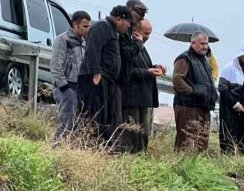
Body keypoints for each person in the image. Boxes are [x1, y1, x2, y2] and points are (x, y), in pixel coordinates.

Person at [78, 5, 132, 146]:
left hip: (107, 79)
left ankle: (100, 146)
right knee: (94, 115)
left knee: (105, 116)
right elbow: (92, 50)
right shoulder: (101, 27)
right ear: (119, 19)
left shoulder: (113, 31)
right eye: (128, 23)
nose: (128, 27)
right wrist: (96, 73)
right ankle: (89, 145)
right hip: (96, 79)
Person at [121, 18, 163, 153]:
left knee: (142, 133)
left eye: (149, 34)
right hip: (131, 98)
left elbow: (142, 66)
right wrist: (147, 72)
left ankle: (141, 158)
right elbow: (126, 71)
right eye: (145, 33)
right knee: (131, 134)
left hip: (142, 98)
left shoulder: (141, 47)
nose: (147, 37)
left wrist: (155, 67)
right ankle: (130, 159)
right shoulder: (129, 47)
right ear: (135, 31)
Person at [172, 31, 219, 151]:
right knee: (186, 143)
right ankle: (181, 168)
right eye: (202, 43)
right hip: (188, 107)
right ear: (193, 43)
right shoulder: (185, 58)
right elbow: (177, 79)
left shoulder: (204, 60)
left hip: (203, 106)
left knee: (201, 144)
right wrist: (192, 91)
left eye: (206, 44)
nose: (205, 46)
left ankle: (196, 169)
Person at [50, 10, 91, 145]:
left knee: (77, 123)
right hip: (66, 87)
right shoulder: (63, 39)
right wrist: (64, 87)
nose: (87, 29)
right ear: (75, 24)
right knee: (67, 121)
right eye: (84, 26)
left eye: (88, 26)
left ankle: (68, 149)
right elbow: (56, 65)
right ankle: (57, 148)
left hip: (79, 88)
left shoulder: (84, 42)